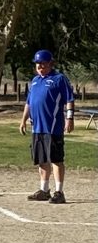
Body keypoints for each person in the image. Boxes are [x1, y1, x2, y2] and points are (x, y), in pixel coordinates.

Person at [19, 49, 75, 204]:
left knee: (56, 159)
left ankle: (59, 191)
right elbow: (29, 103)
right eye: (37, 63)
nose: (40, 66)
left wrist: (70, 118)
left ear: (50, 63)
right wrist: (23, 120)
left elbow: (69, 99)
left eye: (43, 63)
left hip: (53, 127)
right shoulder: (36, 80)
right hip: (37, 127)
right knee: (42, 160)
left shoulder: (59, 79)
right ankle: (44, 190)